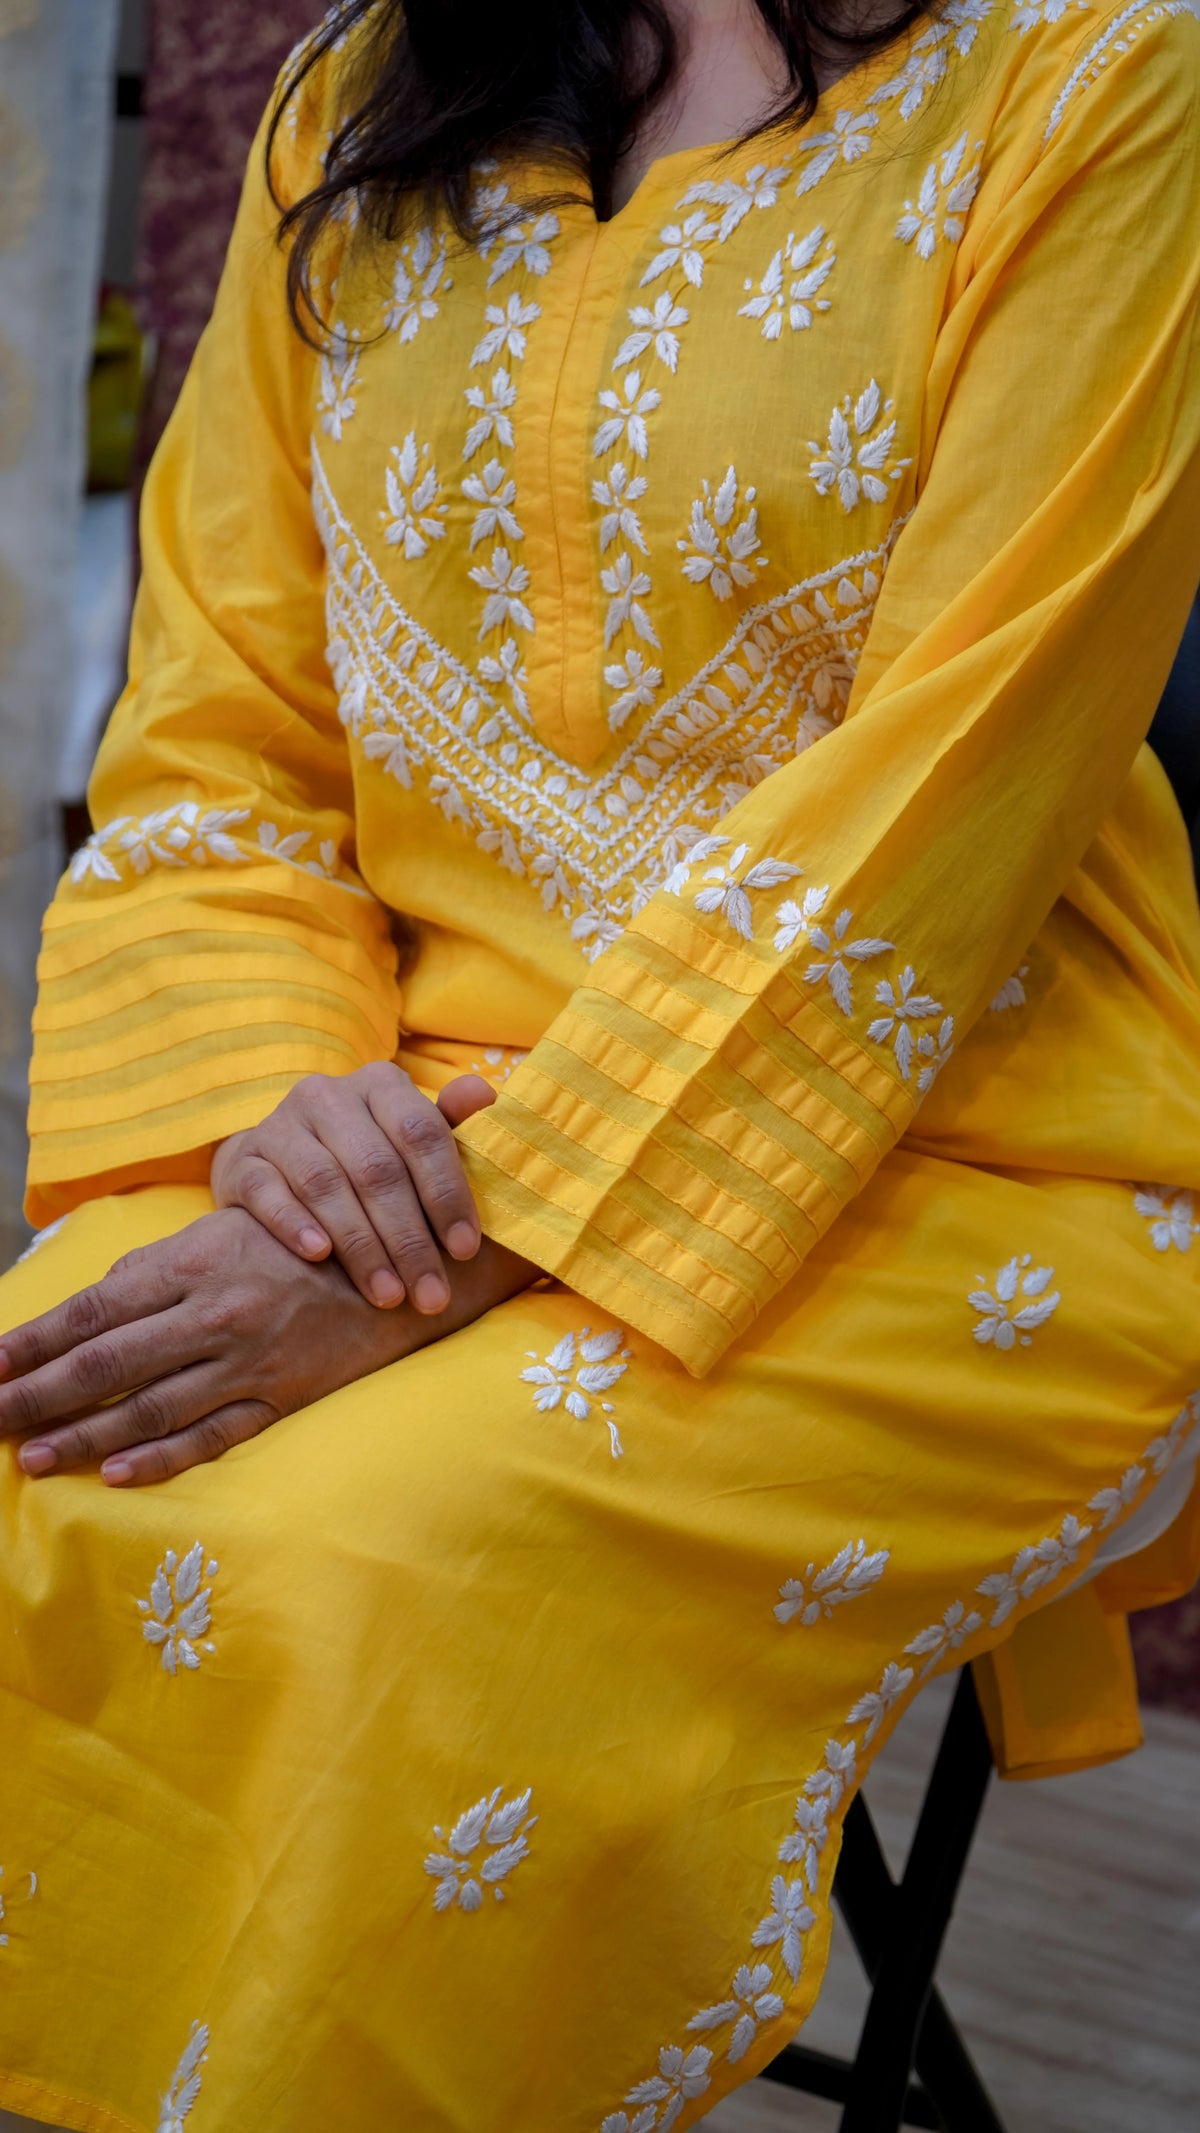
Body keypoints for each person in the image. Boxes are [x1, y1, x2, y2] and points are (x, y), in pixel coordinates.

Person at [1, 0, 1198, 2126]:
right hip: (373, 1120)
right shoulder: (368, 91)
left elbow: (956, 797)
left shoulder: (1098, 75)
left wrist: (478, 1232)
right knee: (39, 1473)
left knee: (368, 1576)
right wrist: (291, 1110)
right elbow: (219, 725)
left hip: (946, 1139)